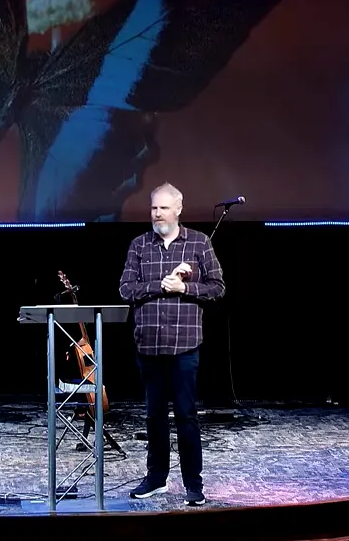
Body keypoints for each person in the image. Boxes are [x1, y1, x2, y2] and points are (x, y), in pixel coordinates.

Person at [118, 182, 225, 506]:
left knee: (186, 417)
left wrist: (185, 290)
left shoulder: (199, 243)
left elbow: (218, 287)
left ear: (178, 209)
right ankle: (156, 479)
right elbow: (125, 289)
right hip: (149, 347)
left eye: (163, 207)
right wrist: (161, 284)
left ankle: (193, 484)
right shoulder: (139, 246)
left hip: (184, 347)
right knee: (153, 417)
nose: (157, 213)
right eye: (153, 208)